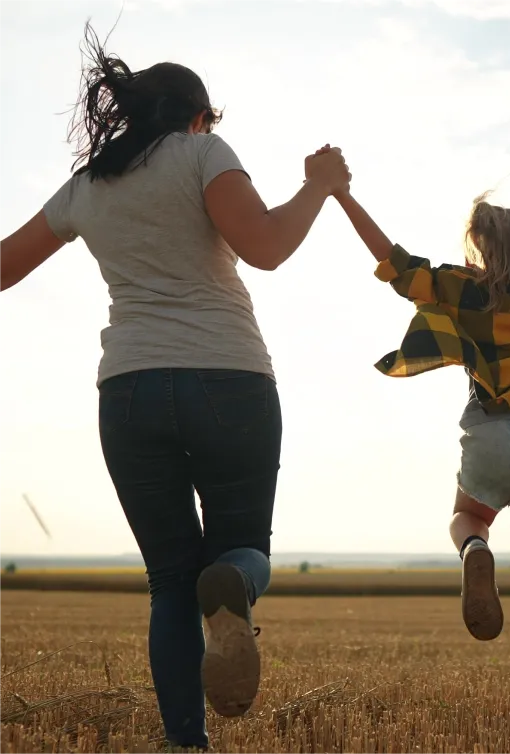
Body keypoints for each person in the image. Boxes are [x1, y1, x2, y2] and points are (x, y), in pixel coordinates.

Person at [0, 25, 350, 750]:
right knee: (245, 549)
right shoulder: (203, 154)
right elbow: (266, 247)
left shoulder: (86, 187)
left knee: (168, 582)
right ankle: (231, 582)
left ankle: (186, 743)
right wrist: (318, 187)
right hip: (228, 379)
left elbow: (3, 267)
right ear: (198, 117)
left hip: (127, 392)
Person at [325, 145, 510, 641]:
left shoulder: (462, 287)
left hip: (491, 430)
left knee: (467, 516)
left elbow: (392, 259)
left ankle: (475, 550)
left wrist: (341, 194)